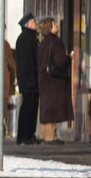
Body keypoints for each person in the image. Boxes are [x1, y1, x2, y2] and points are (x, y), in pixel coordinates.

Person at [36, 17, 72, 142]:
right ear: (50, 27)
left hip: (44, 79)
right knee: (53, 109)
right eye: (54, 23)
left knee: (46, 109)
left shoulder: (43, 42)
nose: (57, 25)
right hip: (54, 81)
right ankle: (51, 137)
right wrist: (69, 58)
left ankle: (46, 135)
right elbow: (61, 60)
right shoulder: (56, 42)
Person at [14, 13, 40, 145]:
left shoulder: (31, 38)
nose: (36, 23)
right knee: (27, 108)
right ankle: (24, 136)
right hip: (28, 80)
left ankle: (30, 134)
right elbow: (27, 62)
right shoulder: (25, 39)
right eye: (33, 22)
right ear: (27, 24)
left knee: (33, 107)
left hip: (31, 80)